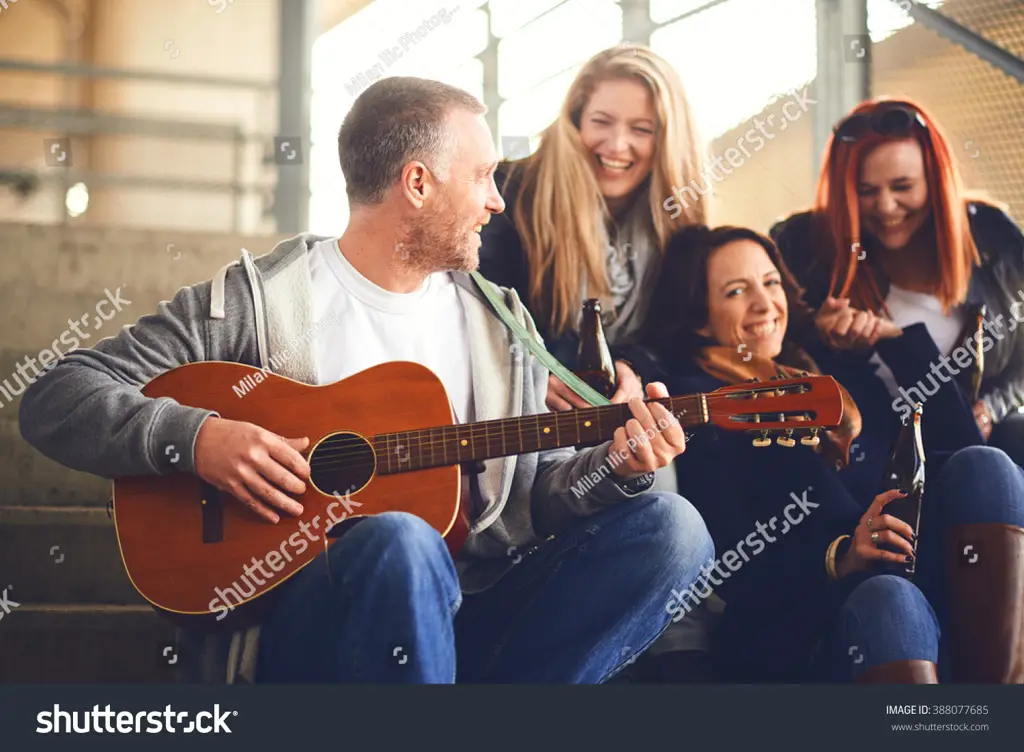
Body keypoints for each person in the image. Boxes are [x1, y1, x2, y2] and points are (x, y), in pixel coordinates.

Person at [16, 77, 714, 684]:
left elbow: (540, 495)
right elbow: (57, 396)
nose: (499, 202)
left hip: (478, 609)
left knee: (673, 528)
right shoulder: (253, 303)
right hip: (317, 621)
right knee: (401, 542)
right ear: (418, 183)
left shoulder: (500, 320)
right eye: (483, 176)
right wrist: (198, 437)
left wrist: (616, 467)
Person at [638, 224, 1024, 683]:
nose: (764, 305)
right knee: (889, 600)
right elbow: (733, 565)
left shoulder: (833, 369)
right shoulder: (698, 404)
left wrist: (894, 341)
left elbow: (964, 446)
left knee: (988, 466)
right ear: (700, 316)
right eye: (737, 291)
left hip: (907, 565)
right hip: (812, 616)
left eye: (771, 282)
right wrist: (841, 556)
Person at [770, 97, 1024, 465]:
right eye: (866, 191)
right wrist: (816, 335)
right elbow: (764, 347)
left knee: (991, 459)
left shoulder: (992, 236)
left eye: (902, 187)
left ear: (935, 182)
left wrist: (992, 407)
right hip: (864, 448)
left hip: (966, 442)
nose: (886, 207)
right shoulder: (800, 244)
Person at [478, 43, 707, 411]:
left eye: (642, 129)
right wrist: (535, 375)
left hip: (624, 415)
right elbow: (479, 304)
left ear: (667, 140)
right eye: (601, 122)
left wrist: (633, 369)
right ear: (575, 119)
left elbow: (677, 339)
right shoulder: (509, 191)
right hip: (520, 411)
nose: (617, 145)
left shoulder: (680, 229)